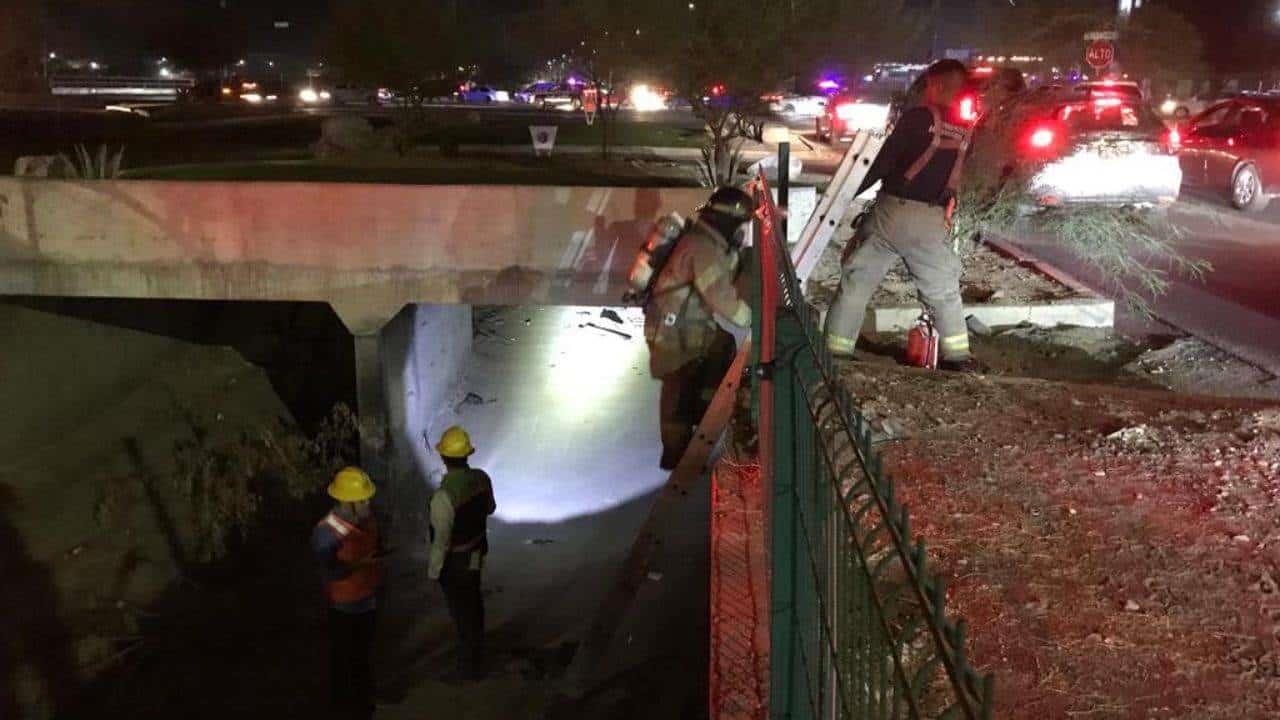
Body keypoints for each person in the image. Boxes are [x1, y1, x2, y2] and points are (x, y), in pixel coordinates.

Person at [824, 59, 982, 373]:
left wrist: (842, 197)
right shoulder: (966, 130)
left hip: (892, 215)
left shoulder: (918, 118)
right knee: (944, 291)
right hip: (931, 221)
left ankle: (836, 351)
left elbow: (881, 165)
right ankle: (957, 358)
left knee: (858, 281)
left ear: (936, 85)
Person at [643, 186, 754, 470]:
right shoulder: (703, 248)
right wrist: (755, 320)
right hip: (674, 330)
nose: (741, 232)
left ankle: (702, 413)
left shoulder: (705, 240)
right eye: (741, 225)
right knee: (678, 388)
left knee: (720, 346)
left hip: (679, 323)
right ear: (728, 221)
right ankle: (677, 453)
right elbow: (720, 296)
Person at [313, 467, 382, 720]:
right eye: (362, 500)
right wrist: (360, 564)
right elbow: (328, 573)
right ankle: (346, 707)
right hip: (344, 607)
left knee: (362, 657)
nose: (368, 503)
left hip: (368, 601)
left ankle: (364, 704)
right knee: (345, 661)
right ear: (345, 502)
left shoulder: (367, 519)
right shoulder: (326, 533)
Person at [428, 426, 496, 683]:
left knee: (461, 613)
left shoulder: (443, 496)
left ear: (444, 458)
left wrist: (434, 571)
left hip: (455, 564)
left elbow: (441, 541)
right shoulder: (482, 478)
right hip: (477, 552)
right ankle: (475, 657)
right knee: (474, 605)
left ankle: (469, 669)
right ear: (467, 455)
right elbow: (490, 508)